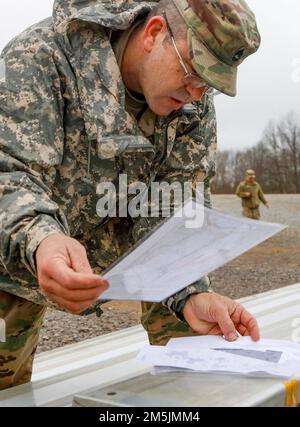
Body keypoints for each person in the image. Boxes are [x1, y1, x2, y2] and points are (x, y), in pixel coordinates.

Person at [0, 0, 261, 390]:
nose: (196, 93)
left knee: (195, 370)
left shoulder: (193, 104)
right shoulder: (40, 59)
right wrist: (41, 241)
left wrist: (187, 292)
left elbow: (178, 204)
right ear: (155, 33)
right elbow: (9, 173)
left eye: (209, 83)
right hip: (14, 261)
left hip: (131, 262)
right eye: (194, 72)